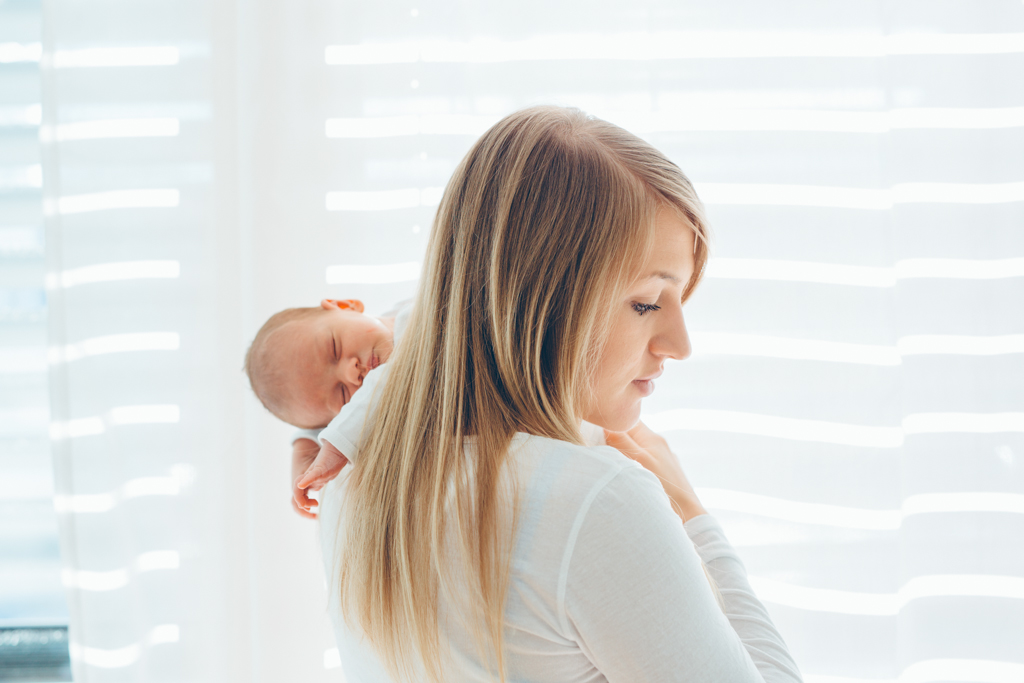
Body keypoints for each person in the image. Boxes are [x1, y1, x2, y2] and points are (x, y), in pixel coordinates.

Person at [313, 104, 805, 682]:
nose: (679, 343)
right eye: (647, 302)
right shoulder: (595, 501)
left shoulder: (354, 491)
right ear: (542, 302)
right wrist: (693, 513)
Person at [243, 296, 414, 517]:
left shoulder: (411, 315)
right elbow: (365, 407)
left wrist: (336, 447)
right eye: (343, 394)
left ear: (344, 306)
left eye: (335, 348)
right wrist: (305, 448)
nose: (351, 373)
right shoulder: (376, 401)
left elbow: (389, 378)